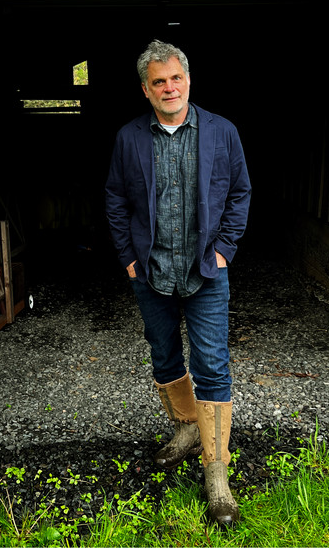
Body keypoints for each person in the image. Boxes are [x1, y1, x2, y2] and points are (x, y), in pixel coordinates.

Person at [105, 40, 251, 526]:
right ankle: (187, 429)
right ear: (145, 90)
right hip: (151, 272)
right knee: (164, 356)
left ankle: (217, 475)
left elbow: (240, 193)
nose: (169, 88)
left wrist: (224, 250)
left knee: (213, 366)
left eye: (176, 78)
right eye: (159, 82)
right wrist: (129, 259)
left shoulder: (221, 131)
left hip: (206, 273)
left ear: (188, 81)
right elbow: (116, 199)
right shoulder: (129, 138)